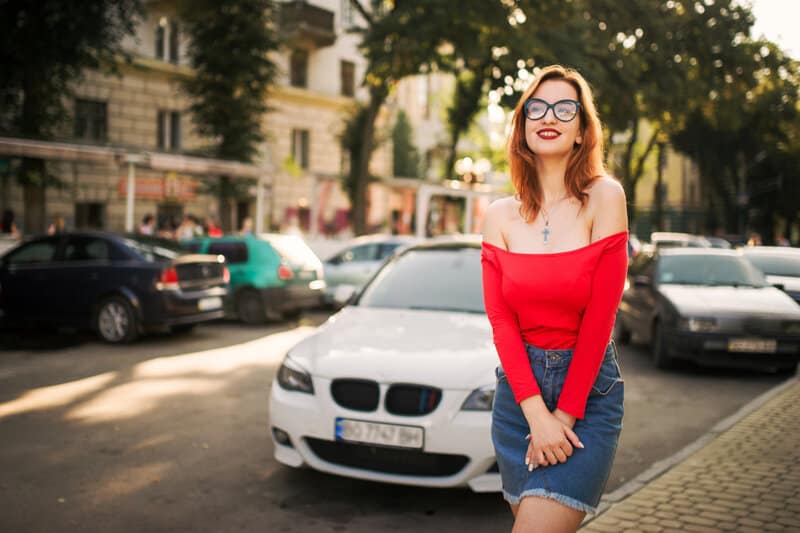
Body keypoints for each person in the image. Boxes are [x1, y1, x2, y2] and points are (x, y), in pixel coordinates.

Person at [481, 65, 628, 532]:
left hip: (584, 397)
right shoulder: (499, 216)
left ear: (583, 130)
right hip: (517, 402)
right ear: (522, 127)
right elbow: (502, 323)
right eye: (536, 108)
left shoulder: (605, 197)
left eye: (566, 108)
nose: (550, 116)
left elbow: (602, 318)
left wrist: (560, 417)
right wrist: (534, 414)